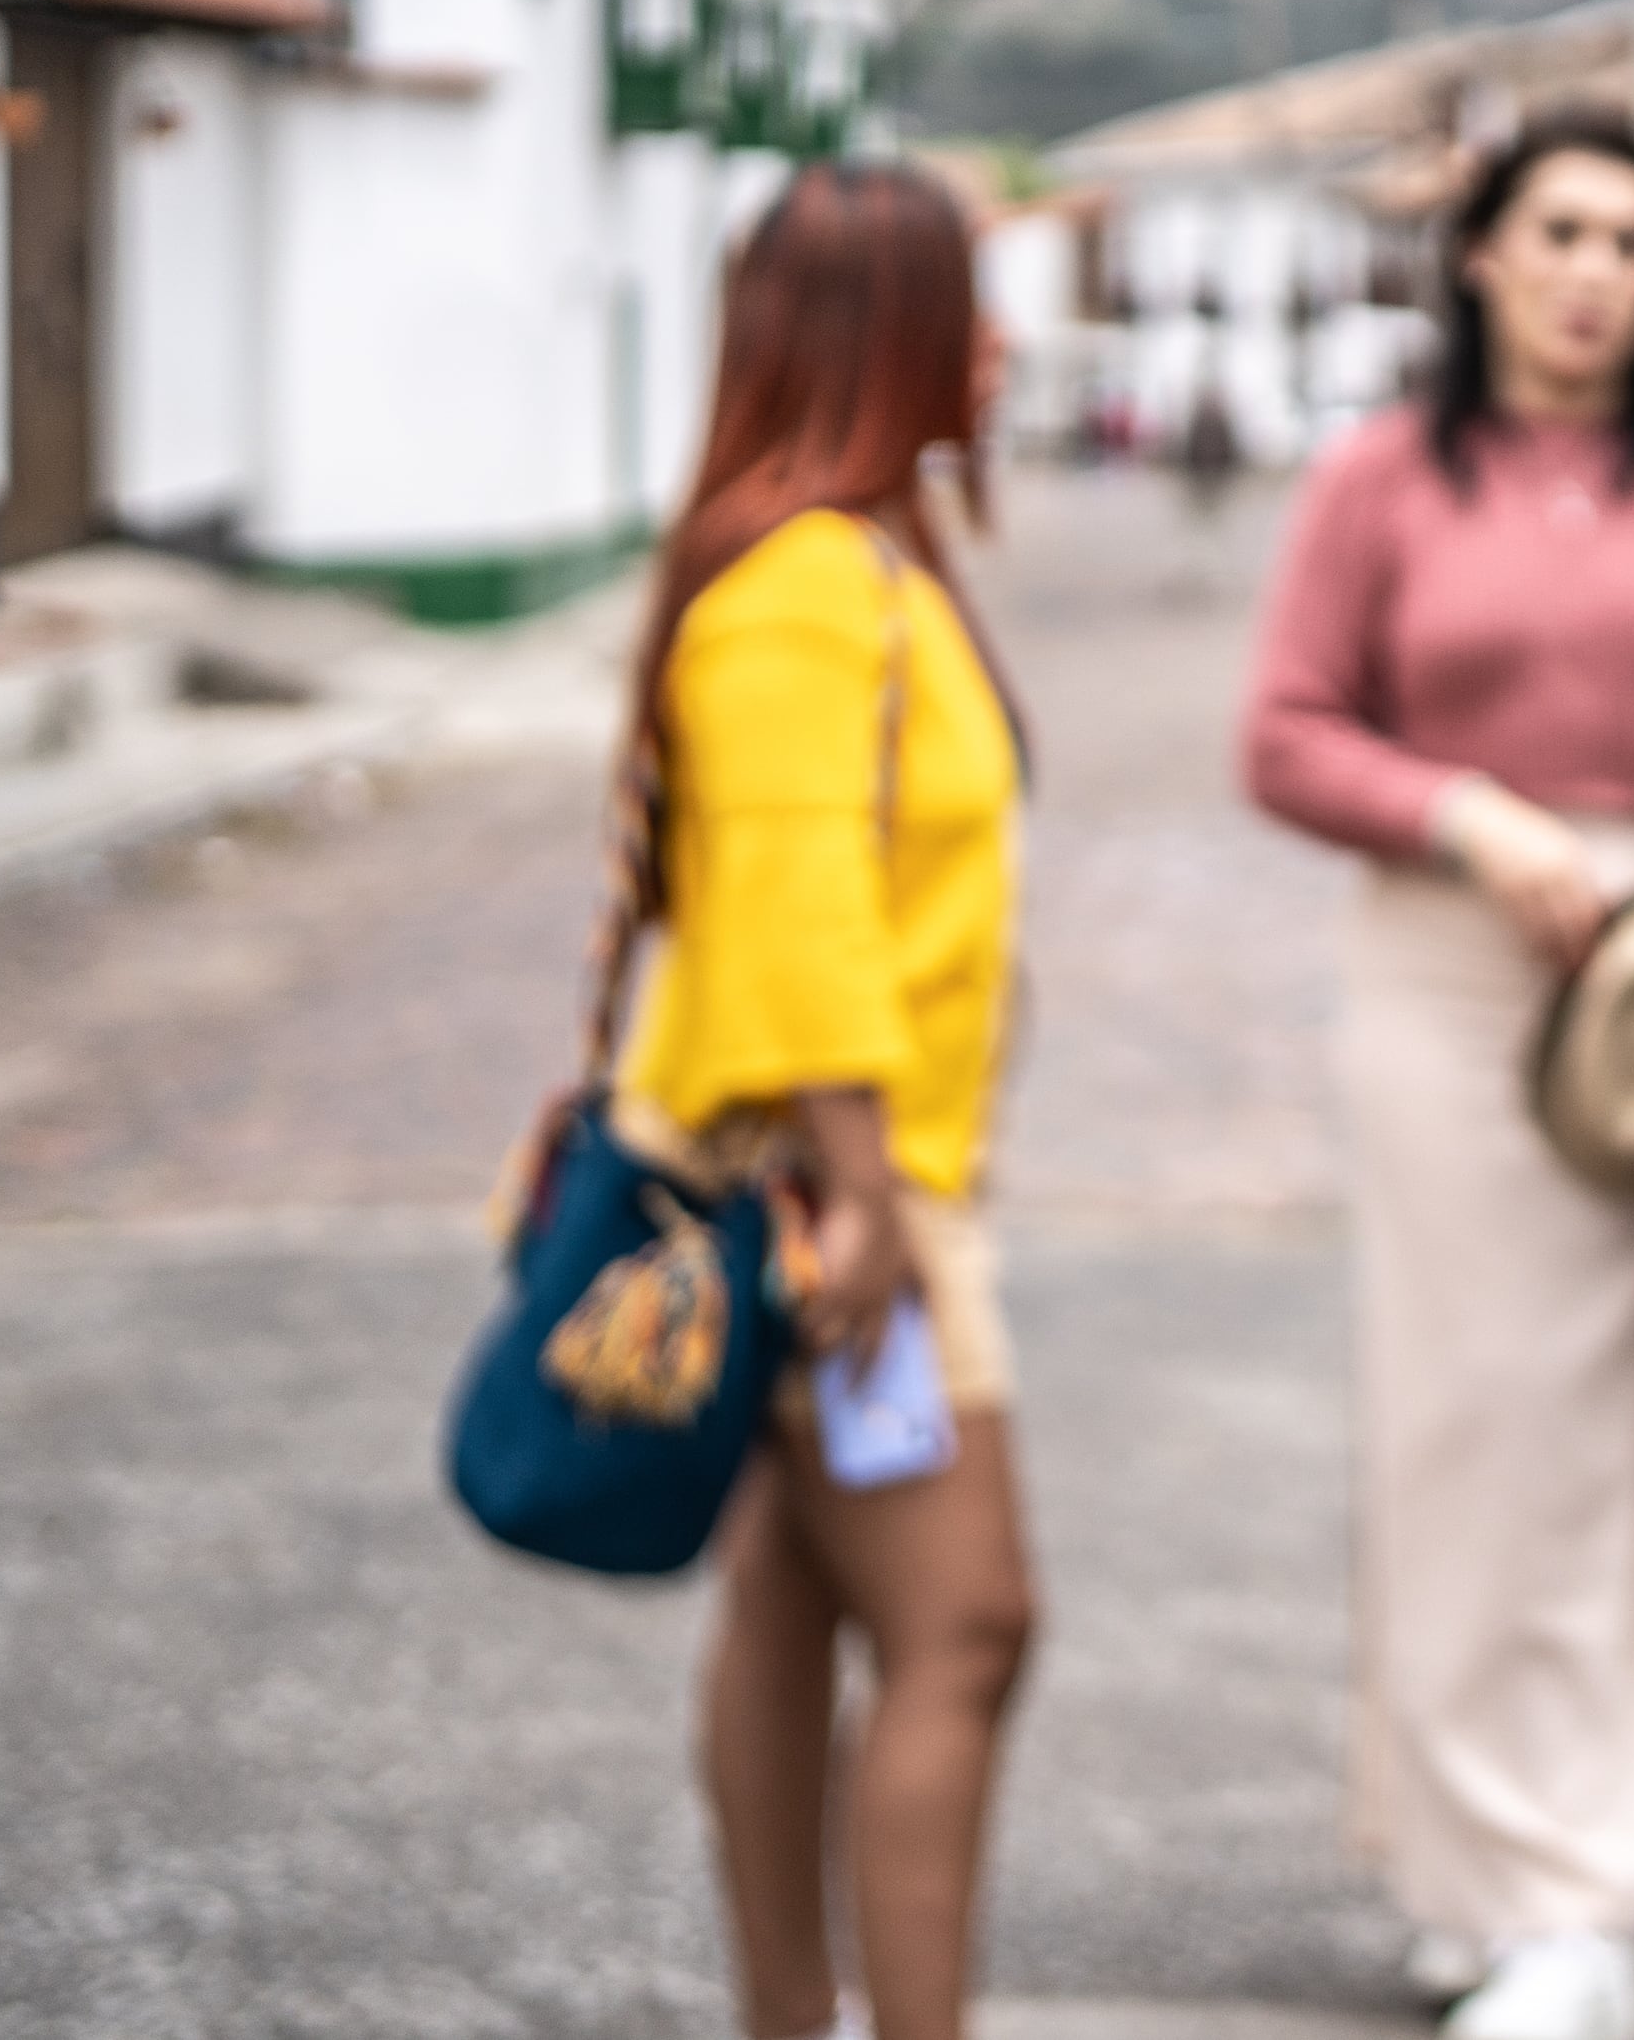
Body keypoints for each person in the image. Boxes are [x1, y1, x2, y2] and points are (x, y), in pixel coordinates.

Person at [1241, 103, 1634, 2040]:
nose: (1595, 274)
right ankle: (1467, 1873)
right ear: (1476, 253)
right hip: (1451, 970)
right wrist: (1469, 815)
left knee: (1606, 1436)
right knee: (1451, 1423)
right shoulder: (1382, 476)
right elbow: (1285, 734)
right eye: (1558, 231)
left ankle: (1580, 1893)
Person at [605, 162, 1035, 2040]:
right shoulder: (799, 586)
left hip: (849, 1165)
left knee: (791, 1602)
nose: (1006, 344)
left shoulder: (862, 557)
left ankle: (793, 2019)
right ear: (891, 334)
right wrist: (868, 1199)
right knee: (969, 1620)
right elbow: (791, 910)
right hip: (829, 1183)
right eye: (974, 303)